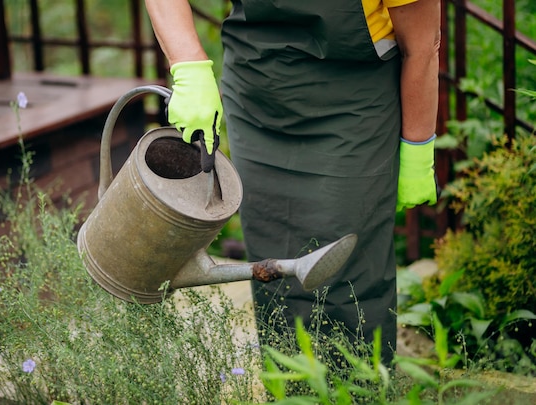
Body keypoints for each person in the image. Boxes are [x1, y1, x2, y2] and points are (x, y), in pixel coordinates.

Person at [144, 0, 440, 363]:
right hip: (258, 97)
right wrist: (187, 62)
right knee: (274, 266)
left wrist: (417, 147)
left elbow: (422, 46)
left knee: (346, 270)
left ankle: (359, 391)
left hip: (352, 102)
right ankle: (288, 390)